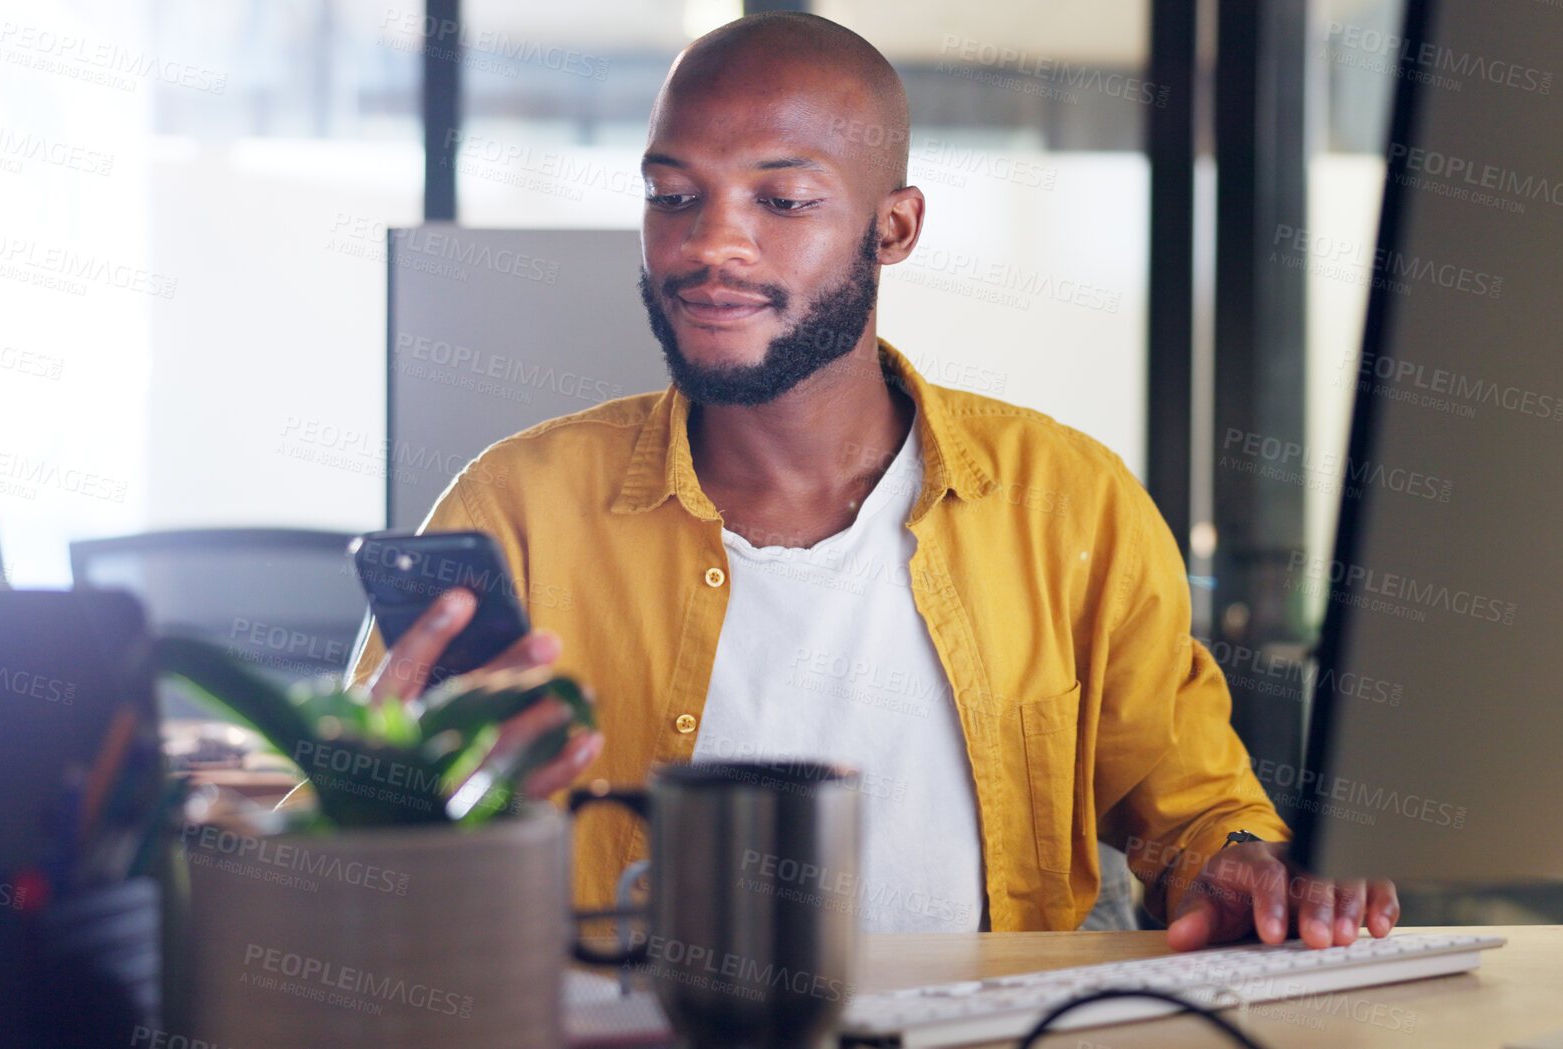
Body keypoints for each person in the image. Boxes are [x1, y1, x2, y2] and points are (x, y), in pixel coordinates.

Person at [349, 11, 1396, 951]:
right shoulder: (516, 507)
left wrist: (1244, 865)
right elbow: (339, 834)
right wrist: (389, 802)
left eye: (783, 198)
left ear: (892, 228)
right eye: (674, 195)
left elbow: (1190, 809)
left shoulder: (1068, 499)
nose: (711, 239)